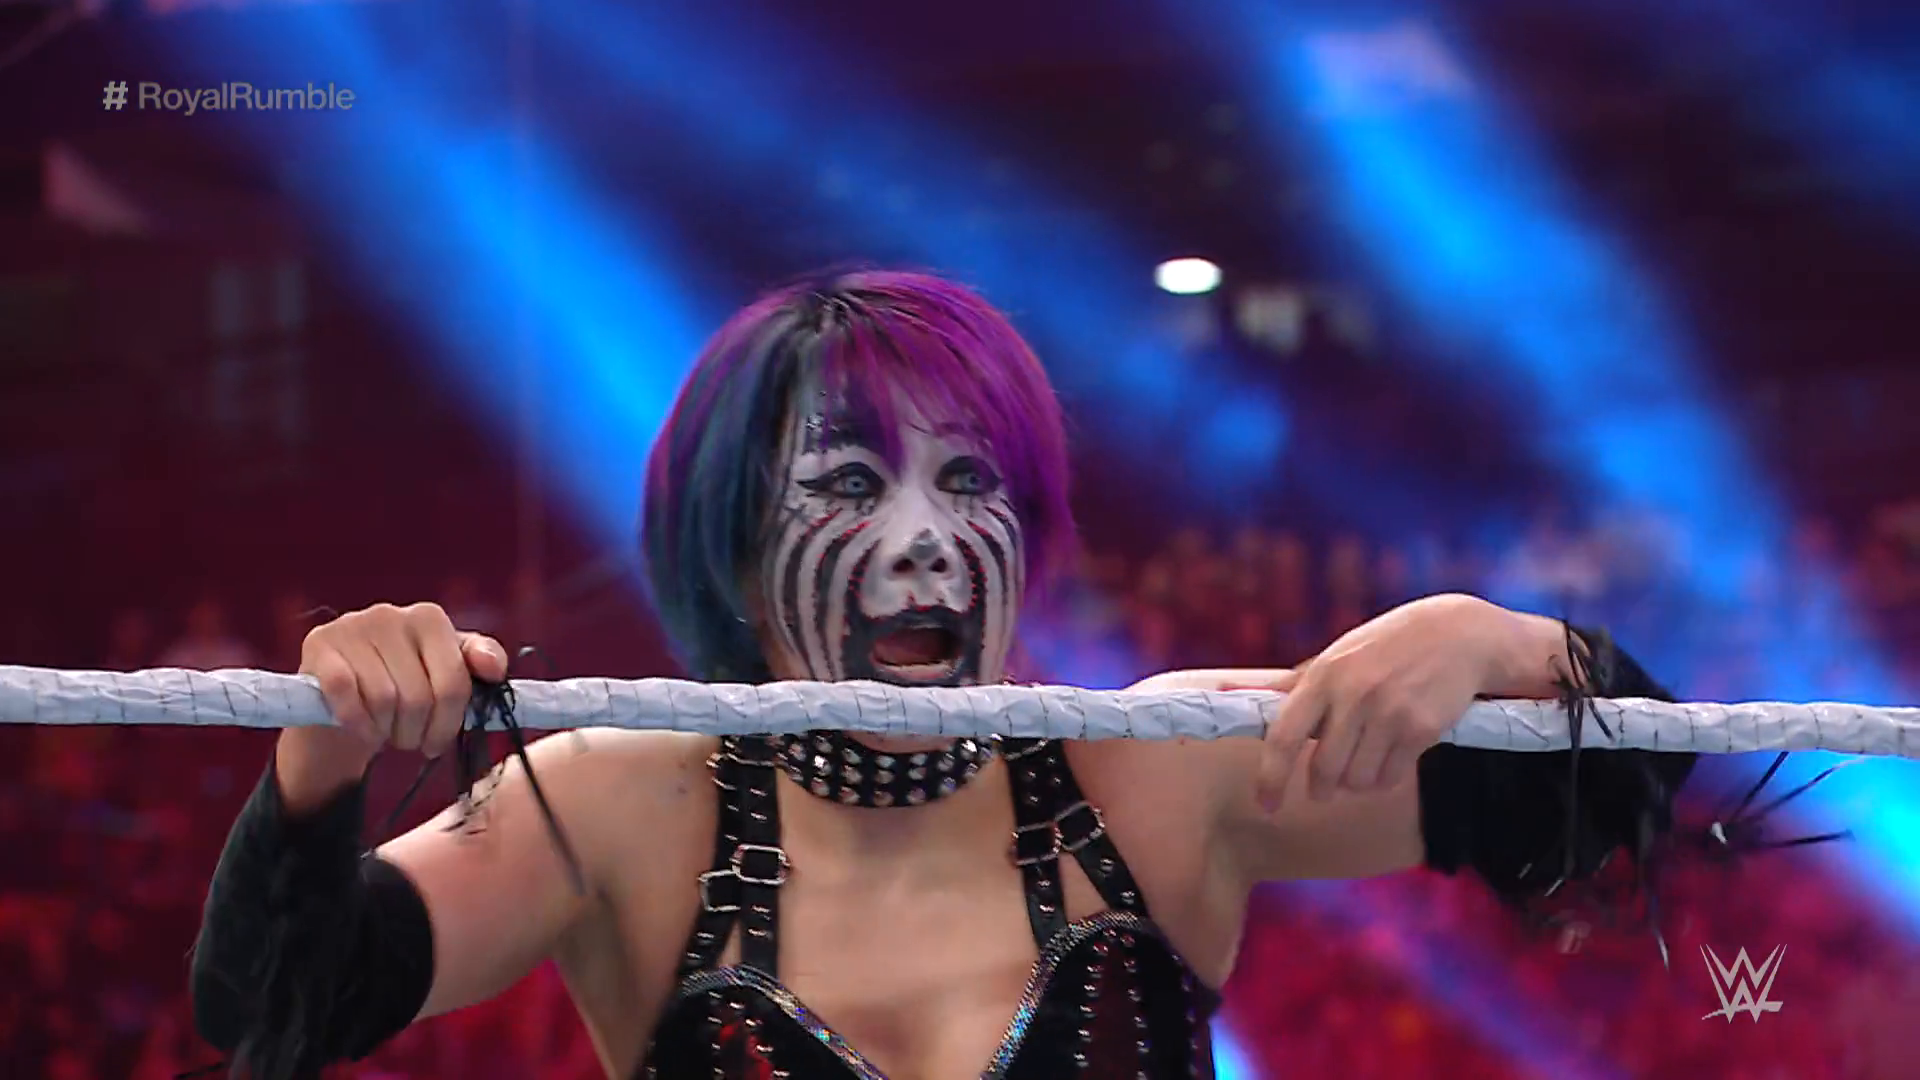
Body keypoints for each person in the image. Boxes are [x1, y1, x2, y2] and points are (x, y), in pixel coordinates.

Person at [189, 270, 1688, 1080]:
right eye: (849, 484)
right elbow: (276, 1004)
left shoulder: (1159, 769)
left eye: (968, 480)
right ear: (734, 547)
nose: (922, 539)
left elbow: (1618, 790)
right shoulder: (606, 803)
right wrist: (324, 756)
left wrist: (1506, 645)